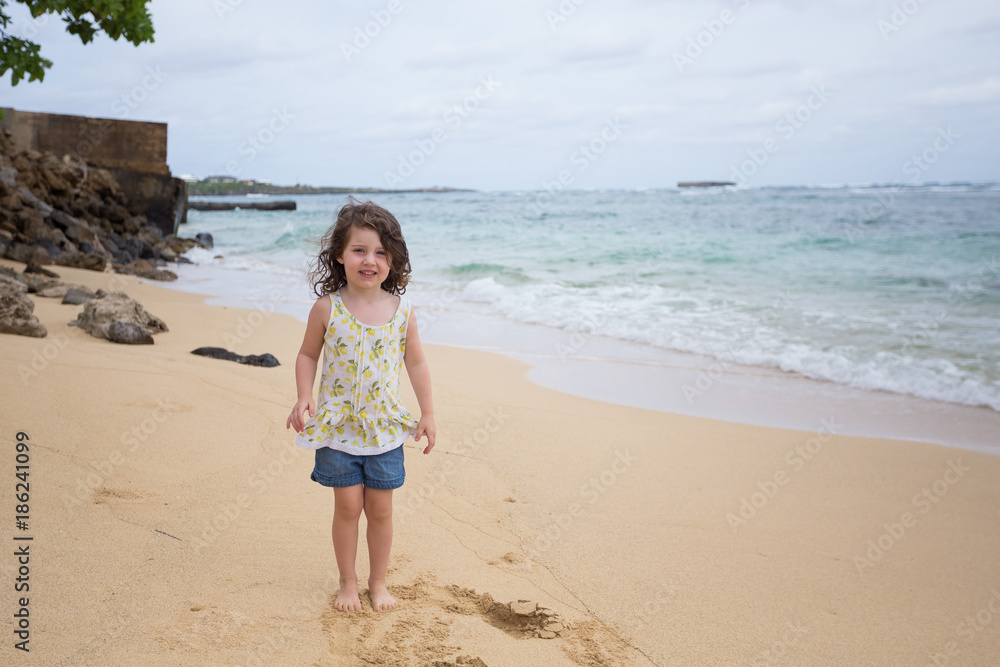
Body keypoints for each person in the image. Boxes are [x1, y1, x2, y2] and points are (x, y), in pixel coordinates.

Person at [286, 197, 435, 613]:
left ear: (394, 260)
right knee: (349, 505)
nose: (370, 260)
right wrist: (304, 395)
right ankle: (348, 583)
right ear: (340, 254)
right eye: (360, 250)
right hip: (337, 428)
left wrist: (428, 413)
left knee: (381, 507)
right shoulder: (327, 308)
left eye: (381, 253)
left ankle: (378, 582)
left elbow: (417, 361)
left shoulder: (402, 310)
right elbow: (307, 356)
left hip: (385, 429)